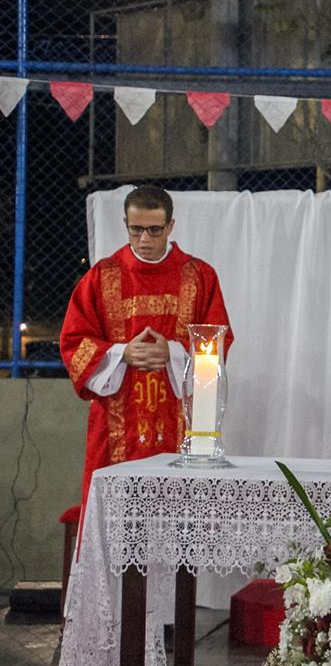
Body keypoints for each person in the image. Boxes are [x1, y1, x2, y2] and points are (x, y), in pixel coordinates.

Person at [61, 185, 232, 506]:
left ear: (170, 226)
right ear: (125, 224)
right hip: (117, 419)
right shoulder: (101, 276)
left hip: (181, 417)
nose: (144, 239)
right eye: (135, 229)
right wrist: (121, 353)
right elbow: (73, 341)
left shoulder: (199, 276)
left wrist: (174, 352)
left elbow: (218, 339)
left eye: (154, 230)